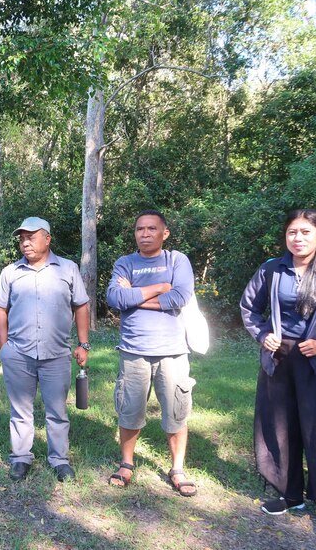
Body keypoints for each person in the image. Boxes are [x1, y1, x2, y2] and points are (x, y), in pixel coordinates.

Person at [240, 209, 316, 544]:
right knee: (279, 427)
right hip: (279, 358)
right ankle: (291, 495)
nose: (298, 239)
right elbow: (249, 308)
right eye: (292, 232)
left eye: (305, 232)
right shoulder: (273, 269)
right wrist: (263, 336)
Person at [0, 217, 90, 482]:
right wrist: (4, 347)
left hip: (56, 355)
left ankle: (59, 460)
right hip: (19, 354)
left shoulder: (67, 269)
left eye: (31, 237)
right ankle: (21, 458)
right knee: (20, 410)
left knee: (57, 410)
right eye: (22, 238)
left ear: (47, 239)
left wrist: (83, 343)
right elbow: (1, 309)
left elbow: (81, 305)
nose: (25, 243)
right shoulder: (10, 272)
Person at [105, 209, 198, 496]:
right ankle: (126, 464)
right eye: (139, 229)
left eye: (151, 229)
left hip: (172, 352)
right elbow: (114, 297)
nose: (145, 234)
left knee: (176, 413)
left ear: (164, 233)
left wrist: (135, 296)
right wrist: (158, 288)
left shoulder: (176, 260)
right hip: (134, 351)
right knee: (129, 412)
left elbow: (181, 296)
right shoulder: (125, 262)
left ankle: (178, 469)